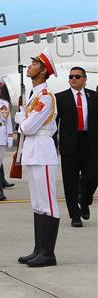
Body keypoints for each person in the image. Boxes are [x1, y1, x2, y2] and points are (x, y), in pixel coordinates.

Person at [15, 48, 60, 267]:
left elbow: (29, 127)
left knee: (48, 203)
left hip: (42, 149)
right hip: (33, 151)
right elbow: (27, 124)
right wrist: (24, 121)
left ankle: (48, 253)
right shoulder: (34, 94)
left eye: (34, 64)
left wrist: (22, 121)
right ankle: (38, 248)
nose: (30, 66)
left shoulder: (45, 96)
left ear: (43, 71)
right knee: (38, 203)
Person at [55, 66, 97, 228]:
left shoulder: (94, 96)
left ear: (85, 79)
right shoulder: (61, 98)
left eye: (77, 77)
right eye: (71, 76)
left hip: (90, 142)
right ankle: (75, 215)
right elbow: (54, 124)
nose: (73, 79)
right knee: (70, 181)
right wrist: (53, 144)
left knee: (93, 176)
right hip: (70, 144)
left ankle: (85, 201)